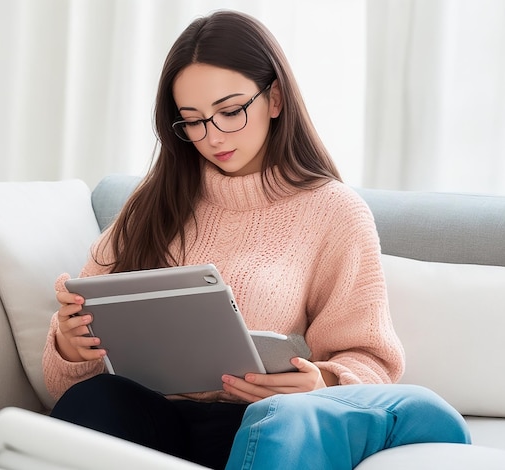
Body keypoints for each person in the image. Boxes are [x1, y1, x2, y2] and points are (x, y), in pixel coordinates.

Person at [42, 9, 471, 470]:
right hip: (152, 424)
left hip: (257, 427)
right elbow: (65, 385)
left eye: (229, 112)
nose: (212, 137)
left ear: (276, 98)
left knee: (276, 423)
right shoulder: (150, 202)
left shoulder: (333, 211)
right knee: (98, 399)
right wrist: (70, 344)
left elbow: (372, 361)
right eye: (192, 121)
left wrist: (319, 382)